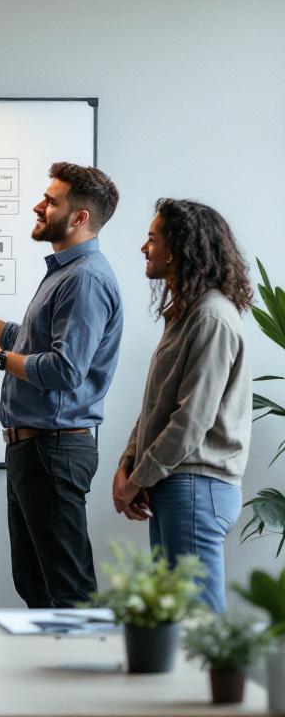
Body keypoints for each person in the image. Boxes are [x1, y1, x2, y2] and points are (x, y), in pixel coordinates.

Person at [0, 162, 122, 608]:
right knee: (36, 585)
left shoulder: (85, 279)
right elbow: (25, 340)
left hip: (52, 450)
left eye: (51, 201)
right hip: (33, 451)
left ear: (79, 218)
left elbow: (64, 370)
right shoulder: (63, 273)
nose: (39, 206)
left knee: (67, 590)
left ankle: (83, 678)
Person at [112, 199, 251, 612]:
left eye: (152, 239)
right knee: (176, 618)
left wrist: (138, 479)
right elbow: (156, 403)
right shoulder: (186, 315)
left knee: (198, 620)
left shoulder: (212, 318)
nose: (143, 248)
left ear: (178, 248)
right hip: (176, 484)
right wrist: (129, 465)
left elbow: (191, 421)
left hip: (197, 486)